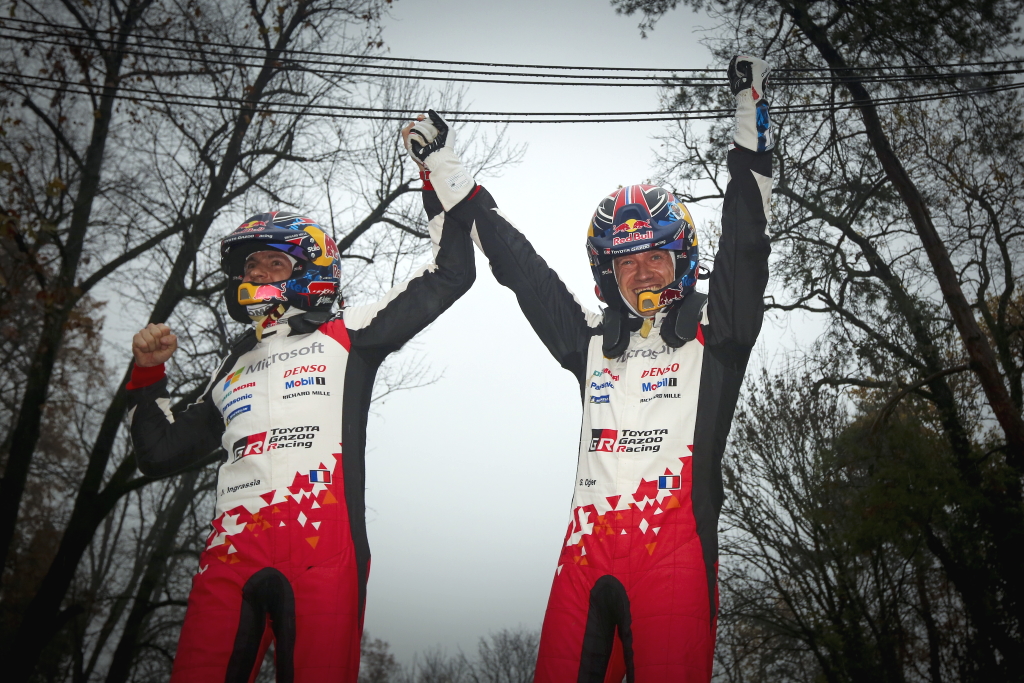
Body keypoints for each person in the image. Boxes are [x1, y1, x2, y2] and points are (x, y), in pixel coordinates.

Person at [404, 55, 774, 682]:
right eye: (625, 262)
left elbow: (745, 236)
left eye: (654, 254)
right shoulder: (594, 342)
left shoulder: (721, 331)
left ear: (680, 260)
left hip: (674, 564)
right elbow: (523, 270)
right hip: (582, 561)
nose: (643, 271)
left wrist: (750, 114)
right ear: (608, 274)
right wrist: (444, 166)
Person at [126, 125, 475, 682]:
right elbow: (158, 453)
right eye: (249, 267)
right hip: (230, 556)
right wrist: (147, 376)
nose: (255, 276)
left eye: (274, 265)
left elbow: (452, 272)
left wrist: (435, 171)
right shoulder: (231, 365)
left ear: (310, 273)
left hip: (322, 551)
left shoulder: (350, 334)